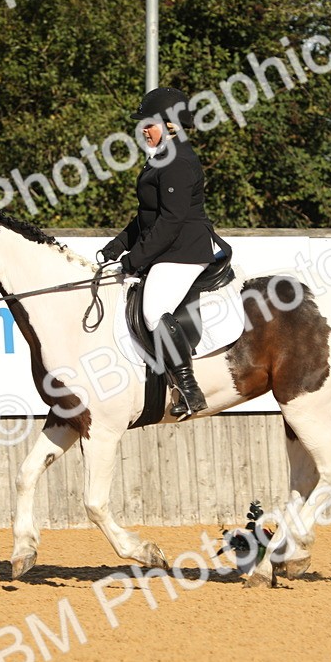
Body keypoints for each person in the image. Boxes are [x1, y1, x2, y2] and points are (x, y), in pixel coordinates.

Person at [99, 87, 232, 418]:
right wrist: (117, 245)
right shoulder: (161, 157)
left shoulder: (178, 161)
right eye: (144, 123)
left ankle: (189, 390)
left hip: (184, 250)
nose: (144, 129)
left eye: (150, 123)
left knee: (154, 310)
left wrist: (134, 259)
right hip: (168, 247)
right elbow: (148, 214)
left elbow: (171, 221)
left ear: (171, 124)